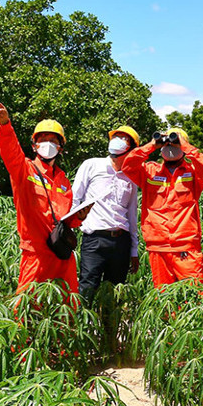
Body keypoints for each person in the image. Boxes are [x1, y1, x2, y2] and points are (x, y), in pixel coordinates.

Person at [0, 97, 90, 294]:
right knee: (27, 309)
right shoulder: (24, 169)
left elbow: (66, 219)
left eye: (53, 140)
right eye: (42, 140)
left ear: (60, 147)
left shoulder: (63, 180)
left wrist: (79, 217)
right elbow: (11, 151)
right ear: (34, 144)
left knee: (67, 308)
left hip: (61, 253)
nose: (48, 144)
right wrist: (4, 124)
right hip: (35, 254)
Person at [121, 127, 203, 289]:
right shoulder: (149, 171)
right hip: (158, 246)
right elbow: (128, 165)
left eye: (175, 142)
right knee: (165, 299)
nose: (171, 146)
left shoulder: (192, 172)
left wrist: (184, 145)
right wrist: (152, 145)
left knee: (194, 295)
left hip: (186, 246)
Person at [71, 125, 141, 303]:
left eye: (124, 138)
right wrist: (69, 231)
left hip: (121, 241)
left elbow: (132, 214)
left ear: (131, 149)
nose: (117, 140)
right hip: (94, 238)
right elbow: (74, 198)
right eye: (115, 136)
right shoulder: (92, 165)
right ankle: (83, 327)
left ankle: (109, 329)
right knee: (87, 287)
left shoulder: (131, 177)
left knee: (115, 291)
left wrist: (134, 250)